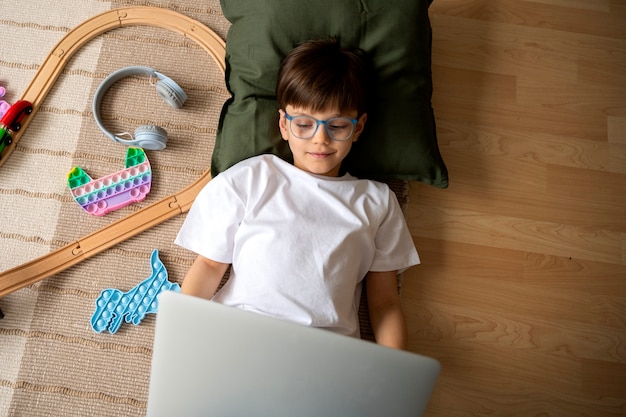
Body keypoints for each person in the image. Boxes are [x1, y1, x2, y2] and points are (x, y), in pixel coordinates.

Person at [174, 38, 420, 350]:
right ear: (284, 124)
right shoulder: (252, 179)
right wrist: (179, 336)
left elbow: (385, 303)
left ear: (358, 129)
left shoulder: (377, 202)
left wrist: (393, 370)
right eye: (304, 124)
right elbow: (209, 266)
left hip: (325, 354)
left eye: (338, 126)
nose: (320, 139)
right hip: (239, 338)